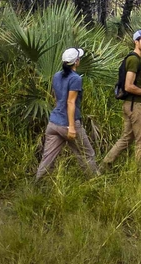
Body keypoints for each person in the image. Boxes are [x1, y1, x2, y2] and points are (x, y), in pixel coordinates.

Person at [35, 47, 99, 181]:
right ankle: (95, 183)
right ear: (76, 62)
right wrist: (71, 127)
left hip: (53, 123)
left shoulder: (56, 76)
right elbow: (70, 102)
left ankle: (36, 185)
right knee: (87, 154)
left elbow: (59, 98)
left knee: (48, 158)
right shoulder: (75, 79)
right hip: (68, 123)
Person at [102, 29, 141, 167]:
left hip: (129, 104)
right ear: (136, 42)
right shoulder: (134, 60)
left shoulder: (133, 58)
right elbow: (128, 86)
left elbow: (132, 83)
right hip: (136, 106)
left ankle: (105, 165)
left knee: (126, 138)